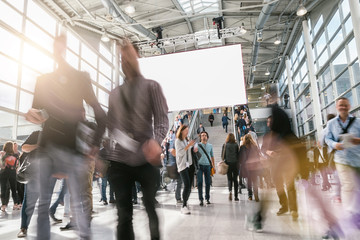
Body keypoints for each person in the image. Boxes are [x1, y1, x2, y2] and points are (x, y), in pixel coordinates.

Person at [25, 34, 106, 240]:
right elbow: (38, 113)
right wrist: (33, 116)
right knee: (65, 203)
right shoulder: (45, 81)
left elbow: (100, 116)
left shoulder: (77, 77)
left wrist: (94, 145)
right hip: (56, 149)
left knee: (66, 203)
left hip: (68, 150)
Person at [107, 40, 168, 240]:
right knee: (123, 214)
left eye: (129, 55)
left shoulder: (152, 86)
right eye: (122, 57)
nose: (125, 60)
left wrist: (156, 141)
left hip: (146, 158)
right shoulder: (114, 94)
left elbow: (161, 119)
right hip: (119, 160)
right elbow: (111, 126)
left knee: (150, 206)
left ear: (137, 58)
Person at [324, 97, 360, 231]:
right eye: (341, 105)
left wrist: (358, 140)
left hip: (357, 158)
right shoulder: (332, 123)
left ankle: (356, 212)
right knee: (347, 185)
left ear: (349, 106)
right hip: (341, 160)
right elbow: (327, 138)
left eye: (345, 105)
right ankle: (348, 213)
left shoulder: (357, 122)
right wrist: (335, 144)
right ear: (337, 107)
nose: (343, 107)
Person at [175, 125, 196, 214]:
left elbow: (188, 151)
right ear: (181, 131)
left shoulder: (186, 140)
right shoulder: (178, 141)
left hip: (189, 165)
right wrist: (188, 146)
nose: (187, 132)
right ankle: (183, 205)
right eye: (186, 130)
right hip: (182, 166)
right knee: (187, 184)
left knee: (190, 186)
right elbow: (180, 153)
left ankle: (185, 203)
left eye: (188, 130)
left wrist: (193, 148)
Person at [197, 131, 215, 206]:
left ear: (207, 137)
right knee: (200, 182)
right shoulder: (197, 145)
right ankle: (201, 199)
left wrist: (213, 165)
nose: (204, 136)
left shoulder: (210, 145)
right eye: (202, 135)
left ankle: (207, 198)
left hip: (208, 165)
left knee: (208, 183)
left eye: (205, 135)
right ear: (200, 137)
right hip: (199, 166)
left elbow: (212, 156)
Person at [0, 141, 20, 212]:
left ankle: (3, 205)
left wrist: (1, 157)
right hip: (13, 173)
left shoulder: (3, 155)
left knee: (3, 189)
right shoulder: (16, 155)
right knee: (14, 189)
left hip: (4, 173)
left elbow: (2, 166)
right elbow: (17, 165)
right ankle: (15, 204)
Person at [221, 133, 239, 201]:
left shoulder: (225, 145)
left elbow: (222, 155)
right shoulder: (236, 145)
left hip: (228, 163)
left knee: (229, 179)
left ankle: (230, 191)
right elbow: (238, 154)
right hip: (235, 163)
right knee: (235, 179)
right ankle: (236, 196)